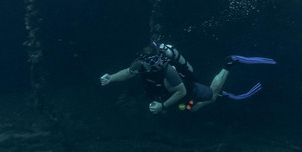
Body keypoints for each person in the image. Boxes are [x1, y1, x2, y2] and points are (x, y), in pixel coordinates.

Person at [100, 41, 271, 115]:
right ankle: (213, 99)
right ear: (142, 59)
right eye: (149, 60)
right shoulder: (139, 64)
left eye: (156, 59)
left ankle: (228, 64)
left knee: (211, 94)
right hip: (169, 94)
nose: (154, 63)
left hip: (186, 88)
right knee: (191, 109)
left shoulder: (168, 70)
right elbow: (127, 72)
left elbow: (181, 91)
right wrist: (111, 78)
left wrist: (162, 106)